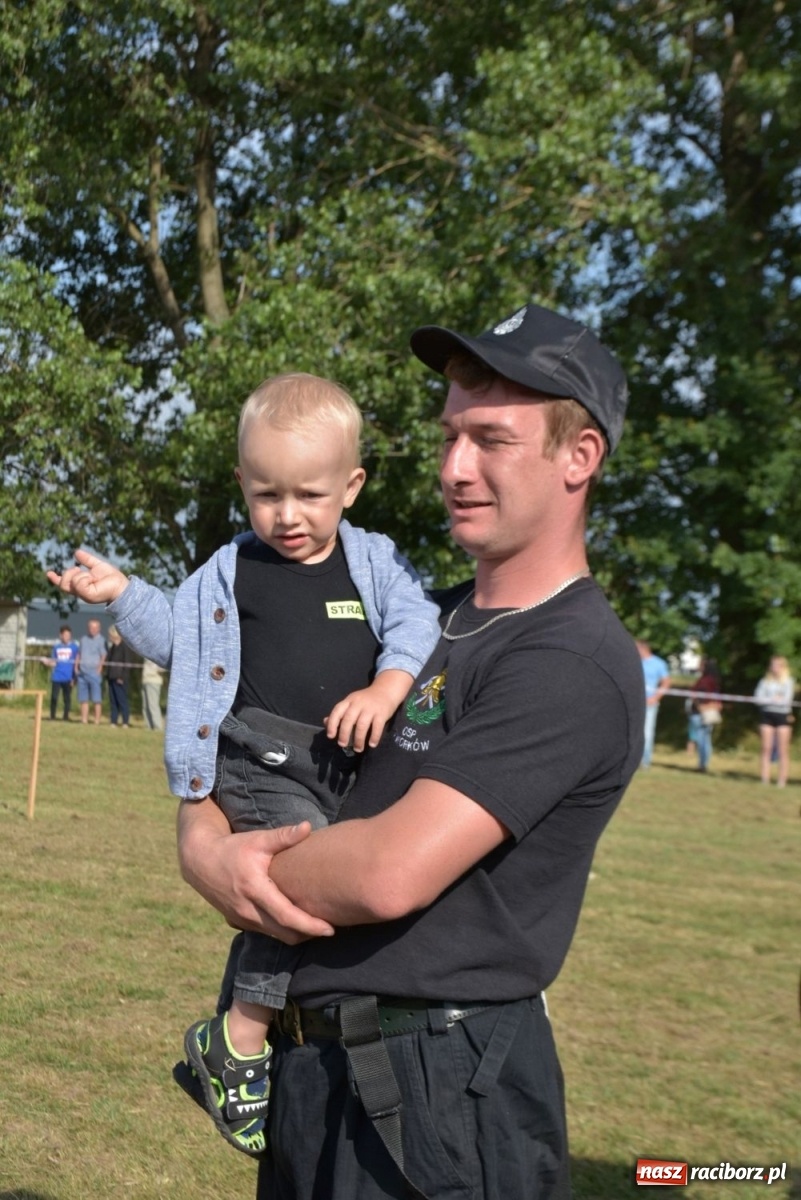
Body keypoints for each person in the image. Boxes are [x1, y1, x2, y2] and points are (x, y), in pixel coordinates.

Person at [173, 302, 645, 1200]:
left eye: (492, 441)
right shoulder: (413, 622)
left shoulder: (570, 658)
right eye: (448, 437)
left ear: (578, 458)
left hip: (441, 1094)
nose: (453, 469)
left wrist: (235, 868)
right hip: (313, 1067)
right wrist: (201, 842)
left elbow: (388, 872)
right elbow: (236, 728)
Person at [47, 372, 442, 1158]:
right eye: (266, 495)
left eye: (308, 494)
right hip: (255, 754)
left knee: (341, 888)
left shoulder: (374, 563)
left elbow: (419, 620)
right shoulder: (230, 570)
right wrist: (122, 592)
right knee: (290, 880)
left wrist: (387, 684)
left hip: (339, 767)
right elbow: (173, 635)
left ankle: (272, 1037)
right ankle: (239, 1035)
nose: (286, 515)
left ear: (352, 487)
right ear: (241, 486)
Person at [754, 655, 795, 786]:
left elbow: (786, 701)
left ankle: (782, 780)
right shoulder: (764, 681)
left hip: (782, 716)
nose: (774, 668)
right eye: (772, 665)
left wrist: (771, 699)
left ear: (783, 667)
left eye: (777, 665)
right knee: (766, 748)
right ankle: (764, 779)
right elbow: (758, 698)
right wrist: (773, 699)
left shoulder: (789, 682)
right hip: (767, 715)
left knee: (783, 750)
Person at [636, 639, 672, 767]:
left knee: (647, 732)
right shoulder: (635, 662)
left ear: (643, 649)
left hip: (650, 704)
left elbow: (666, 683)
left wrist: (656, 698)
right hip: (635, 703)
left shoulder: (658, 663)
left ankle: (645, 761)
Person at [686, 657, 722, 773]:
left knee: (702, 738)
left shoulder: (705, 680)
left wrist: (700, 706)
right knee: (706, 738)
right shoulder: (714, 680)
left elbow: (698, 695)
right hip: (707, 711)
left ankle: (702, 765)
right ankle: (704, 763)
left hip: (700, 713)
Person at [41, 624, 79, 720]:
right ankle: (52, 716)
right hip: (57, 677)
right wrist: (46, 662)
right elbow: (54, 662)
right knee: (54, 697)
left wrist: (74, 677)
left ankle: (65, 716)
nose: (67, 637)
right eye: (65, 635)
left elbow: (76, 663)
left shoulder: (74, 647)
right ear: (61, 635)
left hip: (68, 677)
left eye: (68, 635)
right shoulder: (56, 647)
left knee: (67, 698)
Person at [77, 617, 106, 725]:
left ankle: (97, 720)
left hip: (94, 673)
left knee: (96, 699)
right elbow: (79, 654)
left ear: (99, 628)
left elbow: (103, 655)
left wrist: (99, 669)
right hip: (82, 673)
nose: (92, 629)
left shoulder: (101, 640)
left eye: (95, 628)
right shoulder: (83, 639)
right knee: (83, 698)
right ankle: (84, 719)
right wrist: (76, 667)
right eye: (91, 627)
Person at [105, 625, 131, 728]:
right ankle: (113, 721)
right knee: (113, 701)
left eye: (110, 635)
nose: (109, 637)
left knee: (122, 700)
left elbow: (127, 663)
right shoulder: (112, 648)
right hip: (111, 677)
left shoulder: (124, 647)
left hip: (120, 679)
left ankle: (125, 721)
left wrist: (122, 677)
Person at [141, 657, 165, 731]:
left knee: (153, 705)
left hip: (154, 680)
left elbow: (163, 668)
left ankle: (157, 726)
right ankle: (149, 725)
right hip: (145, 680)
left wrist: (156, 670)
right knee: (145, 706)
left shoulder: (157, 653)